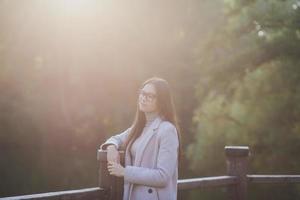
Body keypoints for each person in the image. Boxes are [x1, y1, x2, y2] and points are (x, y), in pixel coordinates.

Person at [100, 77, 181, 200]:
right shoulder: (139, 126)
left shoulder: (167, 130)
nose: (143, 98)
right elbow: (116, 139)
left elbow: (163, 176)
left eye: (150, 96)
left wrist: (124, 172)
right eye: (142, 93)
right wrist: (111, 147)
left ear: (162, 101)